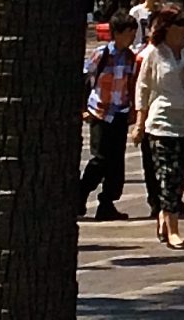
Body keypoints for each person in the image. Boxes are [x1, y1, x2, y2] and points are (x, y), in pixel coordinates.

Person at [135, 6, 184, 251]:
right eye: (179, 22)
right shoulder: (154, 53)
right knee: (167, 177)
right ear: (167, 26)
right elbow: (143, 88)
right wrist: (139, 124)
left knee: (181, 177)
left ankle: (163, 217)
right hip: (160, 123)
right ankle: (174, 230)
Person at [78, 11, 141, 221]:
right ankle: (80, 194)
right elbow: (86, 79)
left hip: (120, 113)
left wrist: (132, 108)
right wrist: (83, 108)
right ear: (118, 33)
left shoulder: (131, 57)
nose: (132, 37)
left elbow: (130, 84)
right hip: (100, 113)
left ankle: (107, 202)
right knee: (99, 159)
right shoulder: (102, 54)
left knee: (116, 162)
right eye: (129, 32)